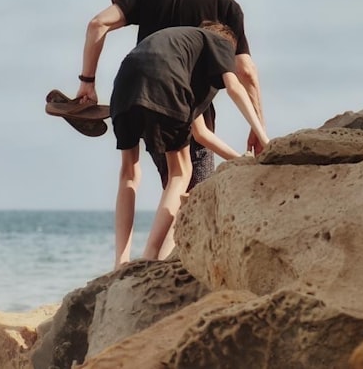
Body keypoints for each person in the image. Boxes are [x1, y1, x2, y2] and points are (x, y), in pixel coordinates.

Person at [74, 0, 265, 192]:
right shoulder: (227, 6)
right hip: (188, 112)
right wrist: (257, 126)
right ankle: (169, 233)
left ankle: (155, 233)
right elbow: (246, 72)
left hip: (138, 98)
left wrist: (87, 82)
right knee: (195, 197)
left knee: (171, 188)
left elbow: (97, 24)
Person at [109, 22, 269, 264]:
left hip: (123, 84)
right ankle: (151, 256)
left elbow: (201, 133)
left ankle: (120, 263)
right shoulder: (220, 42)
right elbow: (235, 88)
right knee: (181, 172)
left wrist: (240, 161)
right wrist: (264, 138)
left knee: (129, 171)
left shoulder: (182, 56)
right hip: (162, 80)